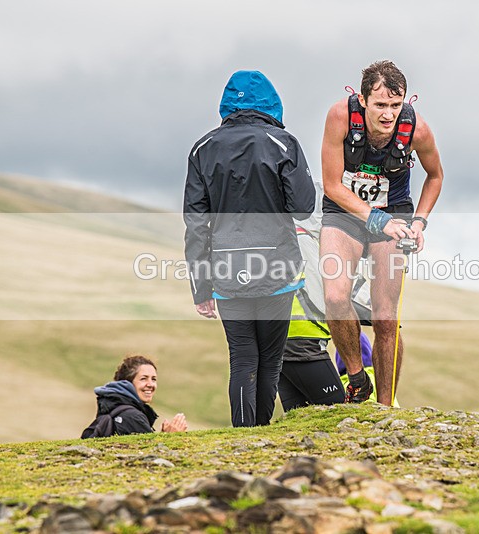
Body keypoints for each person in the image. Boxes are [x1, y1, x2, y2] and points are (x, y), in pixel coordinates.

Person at [184, 70, 316, 427]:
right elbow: (303, 207)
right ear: (271, 103)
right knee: (270, 359)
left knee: (242, 358)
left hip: (226, 270)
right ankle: (261, 434)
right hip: (278, 267)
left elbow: (196, 224)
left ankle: (243, 437)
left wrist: (201, 287)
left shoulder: (202, 149)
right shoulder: (284, 143)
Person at [320, 60, 444, 405]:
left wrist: (419, 222)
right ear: (362, 100)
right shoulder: (339, 117)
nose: (388, 114)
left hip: (395, 214)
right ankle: (358, 378)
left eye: (395, 104)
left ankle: (385, 407)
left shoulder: (417, 130)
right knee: (334, 296)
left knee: (385, 315)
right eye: (380, 105)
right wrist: (375, 219)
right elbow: (331, 185)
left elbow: (435, 176)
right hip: (343, 213)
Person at [278, 223, 346, 411]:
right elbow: (330, 295)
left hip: (279, 342)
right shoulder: (304, 240)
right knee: (339, 414)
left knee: (298, 422)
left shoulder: (280, 234)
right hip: (304, 343)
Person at [83, 354, 187, 437]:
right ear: (127, 383)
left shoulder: (113, 407)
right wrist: (171, 437)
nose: (150, 384)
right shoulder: (132, 417)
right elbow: (150, 459)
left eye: (153, 379)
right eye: (143, 379)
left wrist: (163, 437)